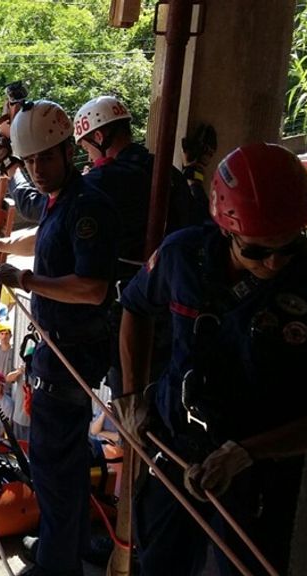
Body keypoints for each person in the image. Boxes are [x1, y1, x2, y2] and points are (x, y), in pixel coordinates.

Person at [117, 143, 307, 575]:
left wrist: (249, 452)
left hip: (259, 473)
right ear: (226, 231)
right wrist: (131, 394)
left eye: (286, 247)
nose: (273, 263)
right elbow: (135, 307)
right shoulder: (182, 258)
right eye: (256, 251)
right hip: (177, 447)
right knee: (160, 562)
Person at [0, 99, 118, 576]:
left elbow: (93, 287)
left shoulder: (88, 209)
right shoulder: (61, 203)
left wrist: (27, 282)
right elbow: (43, 238)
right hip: (61, 350)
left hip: (70, 353)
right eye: (29, 161)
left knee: (53, 469)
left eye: (46, 157)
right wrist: (4, 246)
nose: (37, 169)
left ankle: (57, 562)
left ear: (70, 151)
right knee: (63, 464)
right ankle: (72, 543)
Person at [72, 95, 197, 397]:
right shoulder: (169, 173)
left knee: (131, 401)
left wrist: (14, 174)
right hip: (179, 308)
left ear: (99, 137)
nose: (88, 157)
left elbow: (48, 207)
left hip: (132, 309)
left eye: (87, 147)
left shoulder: (105, 180)